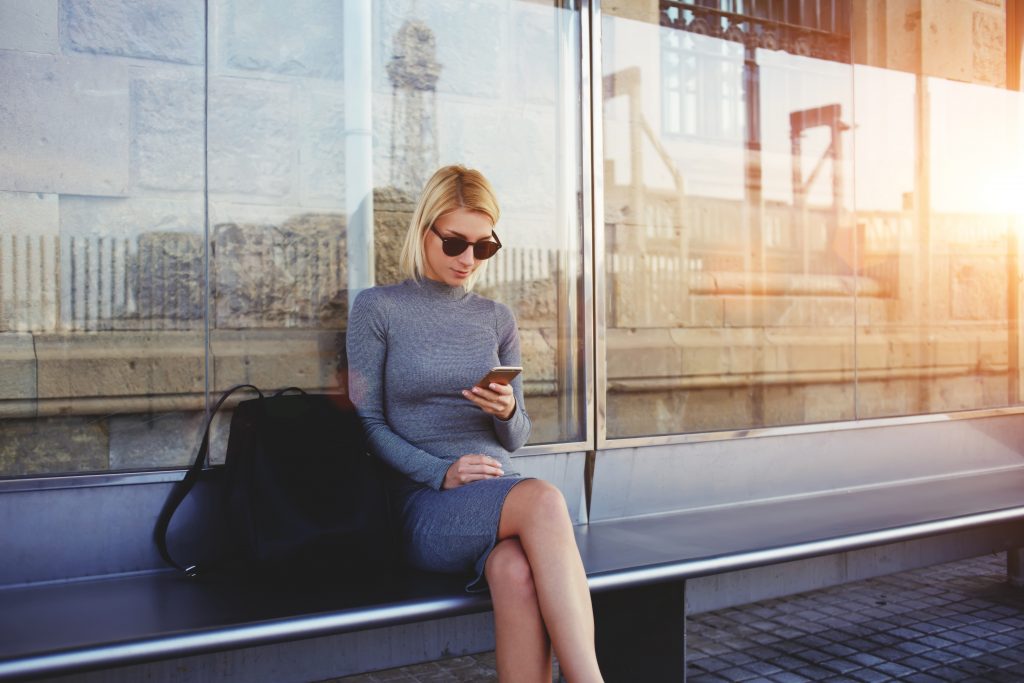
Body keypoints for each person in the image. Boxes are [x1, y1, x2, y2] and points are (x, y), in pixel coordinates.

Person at [347, 165, 603, 682]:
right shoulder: (377, 308)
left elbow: (519, 436)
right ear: (424, 231)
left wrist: (507, 410)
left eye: (483, 247)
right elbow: (367, 423)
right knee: (546, 498)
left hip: (503, 492)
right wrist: (440, 472)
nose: (468, 259)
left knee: (515, 572)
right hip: (426, 504)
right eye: (455, 243)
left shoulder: (496, 318)